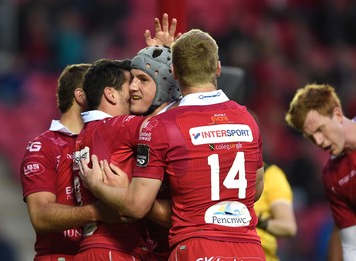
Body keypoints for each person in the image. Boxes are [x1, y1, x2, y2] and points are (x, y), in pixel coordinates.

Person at [80, 29, 265, 260]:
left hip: (198, 247)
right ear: (217, 68)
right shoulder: (248, 119)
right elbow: (255, 190)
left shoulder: (160, 126)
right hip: (250, 249)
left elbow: (136, 206)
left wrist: (100, 186)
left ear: (175, 72)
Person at [73, 15, 181, 261]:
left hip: (98, 247)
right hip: (115, 249)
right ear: (110, 94)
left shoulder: (87, 133)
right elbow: (165, 123)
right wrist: (167, 67)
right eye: (130, 82)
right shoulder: (116, 127)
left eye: (141, 80)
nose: (134, 89)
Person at [20, 63, 122, 261]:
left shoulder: (106, 140)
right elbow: (40, 215)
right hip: (61, 256)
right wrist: (98, 212)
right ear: (81, 96)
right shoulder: (43, 147)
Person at [285, 83, 356, 261]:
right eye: (311, 137)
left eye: (320, 130)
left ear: (338, 115)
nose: (319, 141)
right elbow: (351, 245)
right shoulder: (332, 176)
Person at [254, 163, 297, 261]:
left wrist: (258, 221)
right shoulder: (216, 170)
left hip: (263, 256)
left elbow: (288, 226)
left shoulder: (270, 174)